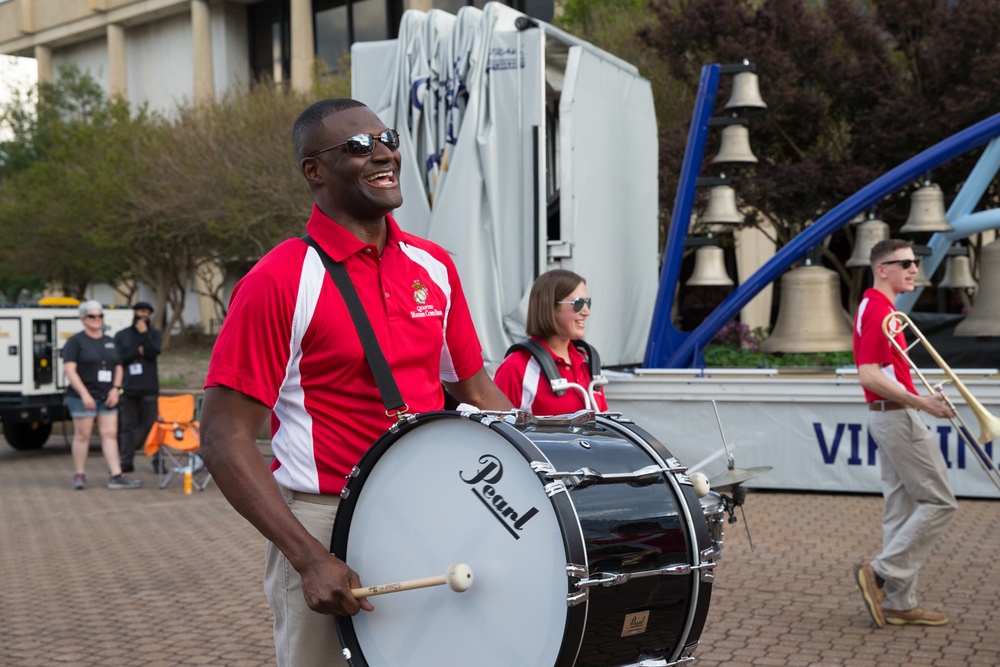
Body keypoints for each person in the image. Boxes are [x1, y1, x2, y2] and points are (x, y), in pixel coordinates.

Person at [198, 98, 513, 667]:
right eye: (359, 146)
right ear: (313, 171)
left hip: (434, 507)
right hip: (325, 516)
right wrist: (308, 556)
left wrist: (548, 455)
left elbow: (475, 388)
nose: (384, 152)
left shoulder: (434, 265)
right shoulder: (280, 279)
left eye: (387, 138)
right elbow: (225, 435)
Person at [852, 238, 957, 627]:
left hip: (888, 416)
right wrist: (923, 404)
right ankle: (880, 574)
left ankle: (900, 602)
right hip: (897, 417)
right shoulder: (880, 310)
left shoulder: (876, 306)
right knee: (940, 503)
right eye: (906, 263)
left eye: (915, 263)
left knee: (902, 510)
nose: (914, 268)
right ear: (882, 269)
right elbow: (869, 375)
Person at [493, 269, 608, 414]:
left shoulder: (587, 361)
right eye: (578, 303)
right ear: (550, 307)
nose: (587, 312)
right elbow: (496, 431)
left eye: (587, 303)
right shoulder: (516, 367)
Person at [63, 300, 142, 490]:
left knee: (110, 434)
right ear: (83, 319)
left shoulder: (109, 341)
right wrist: (84, 394)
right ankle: (79, 475)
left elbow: (118, 366)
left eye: (100, 315)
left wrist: (116, 389)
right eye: (92, 316)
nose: (97, 319)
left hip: (106, 396)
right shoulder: (75, 342)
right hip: (82, 397)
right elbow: (70, 370)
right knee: (83, 435)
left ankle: (116, 475)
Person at [114, 301, 162, 473]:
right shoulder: (121, 335)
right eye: (142, 311)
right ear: (134, 312)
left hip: (149, 388)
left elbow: (152, 352)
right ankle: (126, 461)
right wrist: (137, 352)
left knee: (153, 427)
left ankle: (158, 462)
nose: (145, 315)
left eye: (148, 312)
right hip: (128, 389)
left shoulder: (154, 334)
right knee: (127, 427)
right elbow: (119, 359)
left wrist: (144, 335)